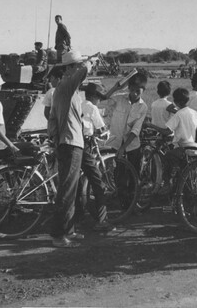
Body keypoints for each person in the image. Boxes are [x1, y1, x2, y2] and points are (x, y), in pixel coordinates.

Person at [47, 50, 90, 248]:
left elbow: (52, 120)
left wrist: (56, 141)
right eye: (77, 64)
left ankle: (68, 230)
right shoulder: (67, 84)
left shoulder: (61, 89)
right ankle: (58, 234)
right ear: (71, 68)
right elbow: (84, 70)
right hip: (71, 142)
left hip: (68, 142)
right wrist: (90, 61)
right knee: (66, 190)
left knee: (70, 190)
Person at [150, 87, 197, 193]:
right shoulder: (193, 112)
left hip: (182, 146)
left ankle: (167, 183)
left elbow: (167, 131)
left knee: (167, 157)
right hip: (194, 145)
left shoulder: (178, 114)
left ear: (176, 102)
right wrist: (192, 127)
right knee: (182, 167)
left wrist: (152, 126)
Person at [78, 83, 114, 231]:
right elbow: (101, 128)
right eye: (99, 98)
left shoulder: (79, 103)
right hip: (85, 145)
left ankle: (79, 218)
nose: (99, 101)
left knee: (77, 183)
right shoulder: (92, 107)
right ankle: (102, 220)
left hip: (74, 143)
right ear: (94, 97)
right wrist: (106, 133)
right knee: (98, 182)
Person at [104, 73, 148, 170]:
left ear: (143, 90)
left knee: (133, 172)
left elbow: (135, 130)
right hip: (115, 142)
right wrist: (116, 87)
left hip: (132, 145)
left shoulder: (143, 107)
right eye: (132, 90)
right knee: (118, 172)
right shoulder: (119, 98)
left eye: (138, 91)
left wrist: (123, 147)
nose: (134, 93)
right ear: (128, 88)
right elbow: (105, 98)